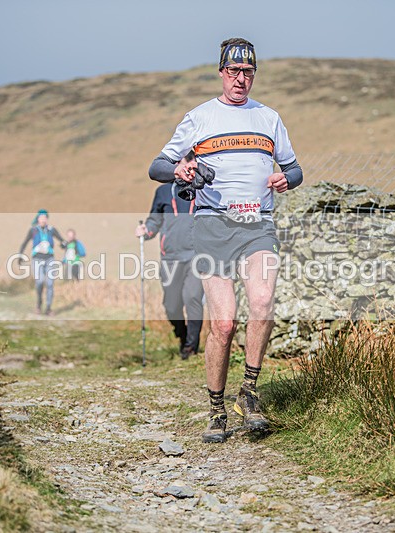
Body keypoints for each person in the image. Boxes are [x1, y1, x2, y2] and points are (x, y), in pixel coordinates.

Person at [148, 38, 303, 443]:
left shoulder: (269, 118)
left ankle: (249, 394)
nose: (240, 79)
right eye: (233, 72)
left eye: (248, 72)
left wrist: (287, 178)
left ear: (254, 75)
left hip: (258, 226)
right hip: (213, 229)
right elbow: (157, 166)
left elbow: (294, 168)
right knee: (224, 322)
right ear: (221, 72)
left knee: (264, 302)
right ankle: (216, 410)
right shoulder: (199, 117)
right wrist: (180, 172)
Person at [135, 183, 204, 359]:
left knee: (193, 297)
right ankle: (182, 335)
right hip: (170, 258)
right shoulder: (163, 191)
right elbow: (155, 220)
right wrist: (147, 230)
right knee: (171, 306)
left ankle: (191, 346)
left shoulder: (203, 188)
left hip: (197, 255)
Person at [18, 209, 66, 315]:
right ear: (38, 219)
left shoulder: (52, 230)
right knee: (39, 281)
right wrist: (20, 255)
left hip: (50, 259)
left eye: (45, 218)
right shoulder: (33, 230)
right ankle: (39, 304)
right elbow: (25, 243)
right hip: (37, 259)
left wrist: (64, 244)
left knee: (50, 283)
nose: (43, 220)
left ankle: (48, 308)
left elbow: (62, 241)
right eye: (41, 218)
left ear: (47, 219)